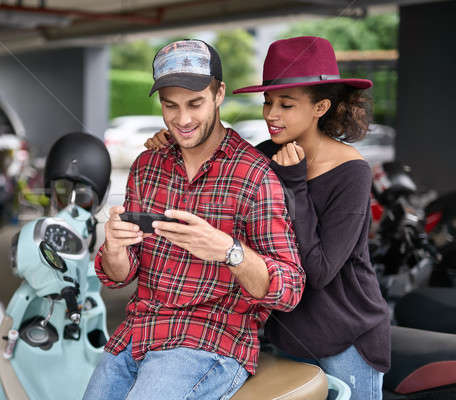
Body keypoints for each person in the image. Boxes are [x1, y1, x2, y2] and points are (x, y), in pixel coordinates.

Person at [145, 36, 391, 400]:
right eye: (268, 102)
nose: (271, 114)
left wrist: (295, 183)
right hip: (283, 335)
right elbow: (215, 169)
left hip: (346, 339)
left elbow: (319, 270)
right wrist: (179, 142)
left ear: (320, 106)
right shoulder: (262, 156)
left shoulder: (351, 171)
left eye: (286, 105)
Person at [83, 39, 304, 400]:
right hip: (139, 333)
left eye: (195, 103)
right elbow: (119, 276)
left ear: (219, 94)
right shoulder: (146, 167)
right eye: (170, 106)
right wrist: (115, 248)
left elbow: (290, 288)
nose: (182, 120)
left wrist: (228, 251)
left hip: (210, 340)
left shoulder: (254, 175)